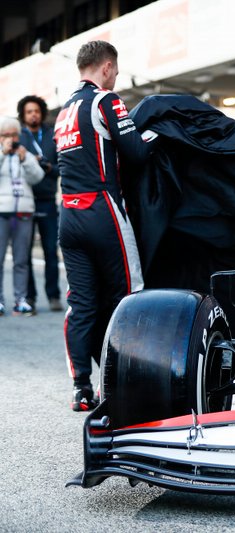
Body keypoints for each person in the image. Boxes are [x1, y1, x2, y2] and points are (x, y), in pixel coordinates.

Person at [55, 40, 157, 411]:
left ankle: (82, 387)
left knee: (81, 304)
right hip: (103, 209)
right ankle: (129, 383)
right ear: (108, 67)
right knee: (130, 295)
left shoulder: (64, 110)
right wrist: (156, 134)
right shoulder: (105, 101)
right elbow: (138, 153)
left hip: (69, 214)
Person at [18, 95, 63, 313]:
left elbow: (61, 168)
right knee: (24, 253)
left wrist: (45, 167)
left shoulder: (53, 134)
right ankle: (30, 297)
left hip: (47, 201)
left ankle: (54, 296)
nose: (33, 115)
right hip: (25, 203)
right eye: (29, 112)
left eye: (36, 111)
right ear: (23, 115)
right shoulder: (18, 136)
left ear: (42, 112)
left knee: (50, 251)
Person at [0, 117, 44, 317]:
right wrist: (3, 153)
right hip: (2, 212)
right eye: (6, 135)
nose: (11, 138)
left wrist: (25, 158)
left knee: (21, 260)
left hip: (24, 212)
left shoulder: (25, 154)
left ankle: (21, 300)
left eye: (14, 134)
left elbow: (38, 177)